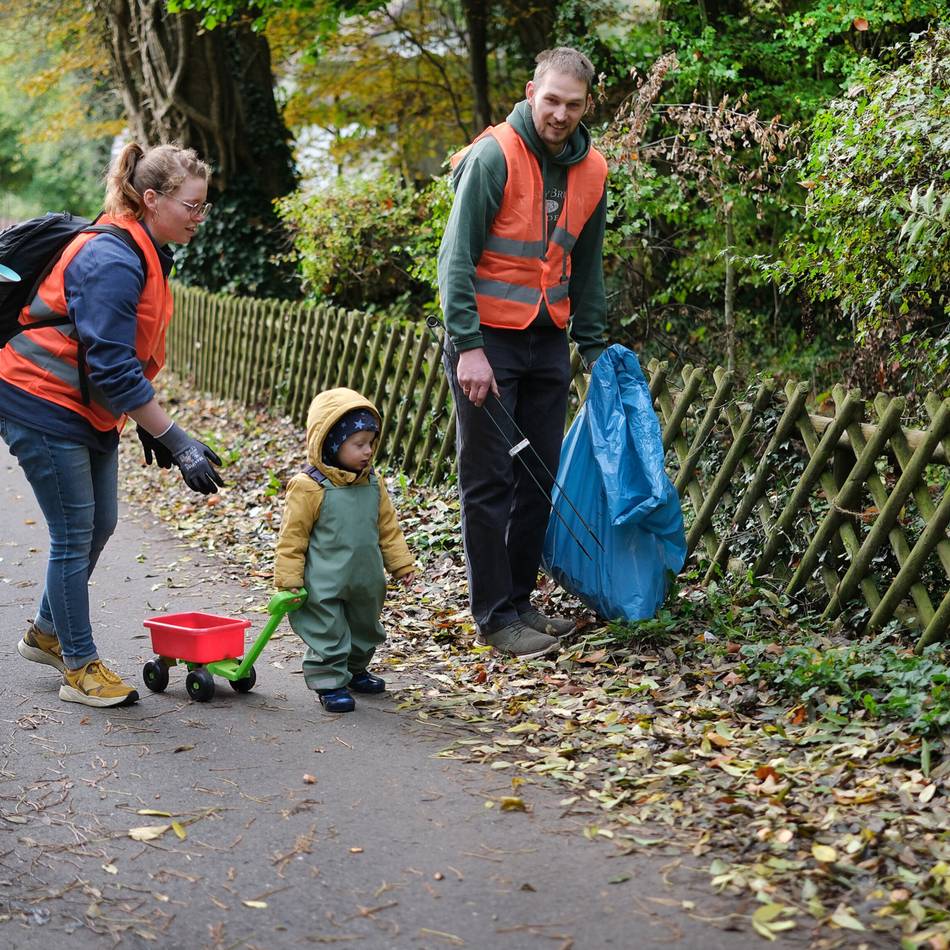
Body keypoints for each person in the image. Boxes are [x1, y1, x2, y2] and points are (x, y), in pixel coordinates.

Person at [1, 142, 225, 708]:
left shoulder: (144, 247)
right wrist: (175, 438)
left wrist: (148, 421)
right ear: (151, 200)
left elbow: (119, 359)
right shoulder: (113, 259)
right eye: (192, 206)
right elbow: (112, 363)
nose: (201, 217)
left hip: (84, 405)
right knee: (74, 533)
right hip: (37, 398)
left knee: (101, 522)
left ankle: (47, 633)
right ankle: (78, 666)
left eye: (204, 206)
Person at [437, 47, 608, 659]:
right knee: (489, 479)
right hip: (486, 340)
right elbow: (454, 261)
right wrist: (469, 349)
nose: (559, 113)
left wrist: (594, 347)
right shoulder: (493, 156)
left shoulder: (593, 170)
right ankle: (493, 616)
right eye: (551, 99)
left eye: (573, 103)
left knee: (538, 477)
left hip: (547, 339)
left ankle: (519, 601)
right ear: (532, 90)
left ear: (588, 103)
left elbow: (586, 266)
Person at [274, 388, 416, 713]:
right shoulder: (309, 486)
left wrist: (401, 564)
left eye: (370, 443)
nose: (368, 451)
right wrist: (288, 579)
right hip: (324, 581)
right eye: (358, 444)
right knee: (328, 630)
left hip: (366, 577)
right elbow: (292, 538)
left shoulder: (372, 482)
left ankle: (354, 670)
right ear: (331, 443)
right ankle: (329, 681)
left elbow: (388, 528)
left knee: (366, 627)